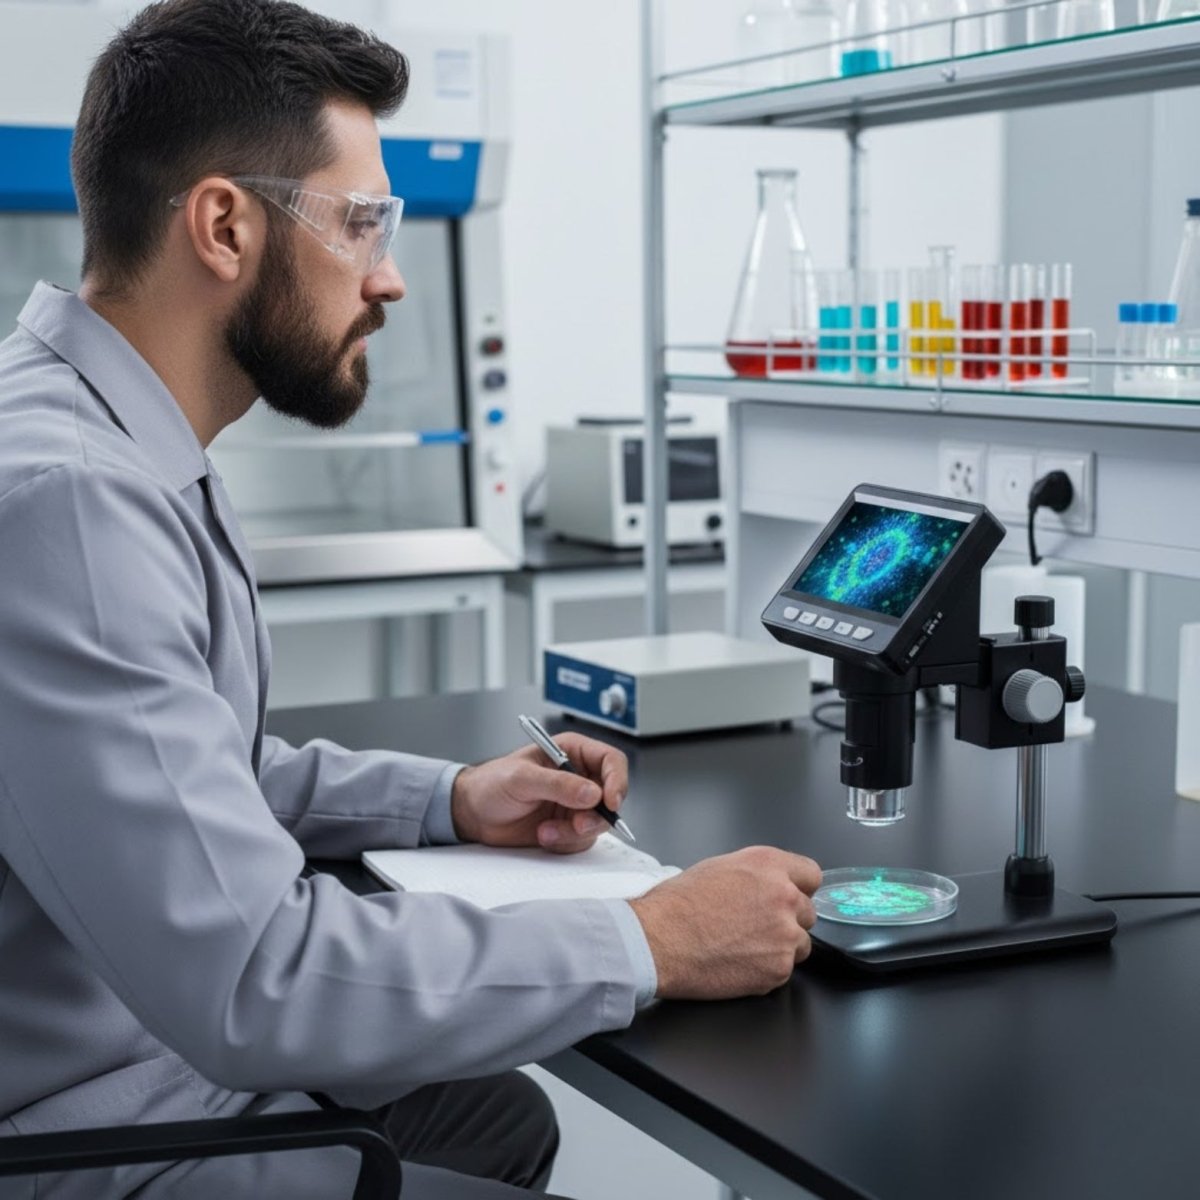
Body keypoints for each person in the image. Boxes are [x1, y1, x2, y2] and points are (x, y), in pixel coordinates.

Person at [0, 2, 822, 1197]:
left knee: (497, 1119)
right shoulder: (73, 502)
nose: (388, 274)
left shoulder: (101, 430)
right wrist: (656, 937)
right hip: (100, 1133)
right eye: (360, 221)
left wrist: (446, 799)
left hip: (143, 1048)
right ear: (222, 225)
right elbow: (255, 980)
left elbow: (180, 780)